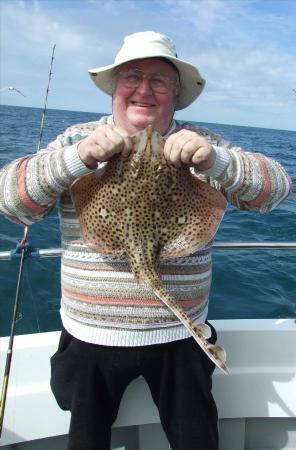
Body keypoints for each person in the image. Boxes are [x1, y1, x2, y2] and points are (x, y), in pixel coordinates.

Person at [0, 31, 292, 450]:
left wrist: (216, 160)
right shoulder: (74, 140)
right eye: (132, 77)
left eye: (159, 80)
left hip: (181, 338)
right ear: (116, 88)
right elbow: (12, 204)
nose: (144, 89)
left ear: (176, 94)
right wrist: (77, 158)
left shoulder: (202, 144)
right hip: (89, 341)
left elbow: (276, 191)